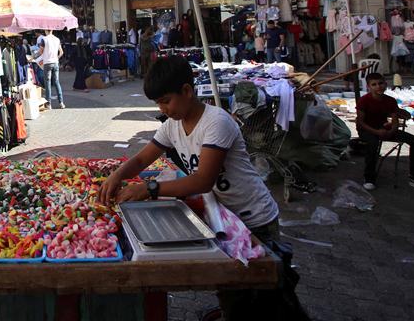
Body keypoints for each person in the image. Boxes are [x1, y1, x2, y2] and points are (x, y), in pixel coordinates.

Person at [99, 56, 285, 319]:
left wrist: (148, 189)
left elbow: (202, 181)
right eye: (158, 104)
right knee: (233, 290)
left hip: (254, 219)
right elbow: (142, 158)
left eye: (166, 101)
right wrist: (116, 176)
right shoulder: (172, 125)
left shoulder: (216, 122)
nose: (163, 109)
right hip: (223, 218)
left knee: (266, 299)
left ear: (187, 91)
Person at [356, 72, 414, 192]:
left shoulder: (390, 100)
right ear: (369, 86)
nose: (378, 87)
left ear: (385, 84)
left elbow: (394, 120)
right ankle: (369, 177)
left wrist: (392, 130)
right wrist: (377, 132)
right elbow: (361, 122)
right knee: (373, 144)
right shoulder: (364, 100)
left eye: (381, 83)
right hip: (367, 129)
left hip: (384, 128)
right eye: (374, 84)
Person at [38, 29, 65, 109]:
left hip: (47, 63)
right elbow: (61, 52)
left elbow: (40, 51)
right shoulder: (57, 39)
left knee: (47, 83)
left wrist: (37, 56)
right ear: (52, 30)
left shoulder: (44, 39)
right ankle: (61, 102)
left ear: (46, 31)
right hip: (55, 62)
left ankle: (49, 104)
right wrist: (57, 57)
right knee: (57, 82)